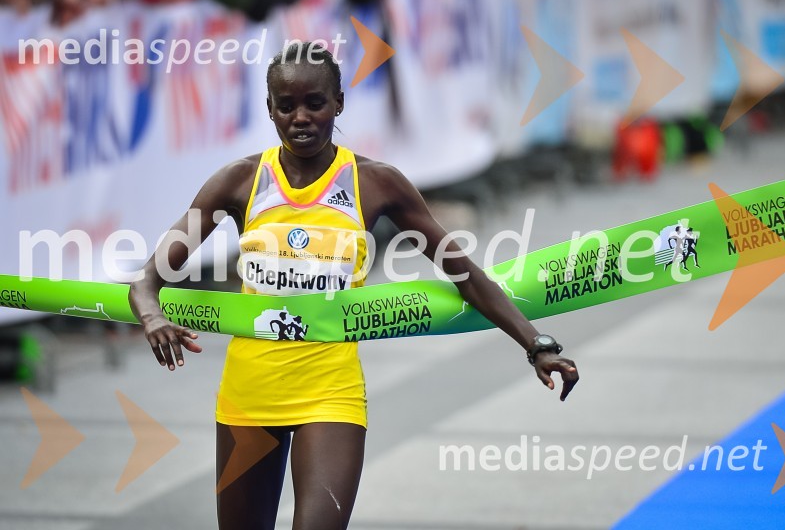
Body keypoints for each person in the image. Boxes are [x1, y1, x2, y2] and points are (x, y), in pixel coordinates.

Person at [128, 41, 579, 530]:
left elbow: (466, 274)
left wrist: (536, 343)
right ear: (270, 111)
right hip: (248, 392)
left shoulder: (376, 183)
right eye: (287, 106)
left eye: (315, 103)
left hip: (332, 392)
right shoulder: (240, 182)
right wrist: (152, 317)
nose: (301, 117)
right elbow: (147, 281)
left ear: (338, 103)